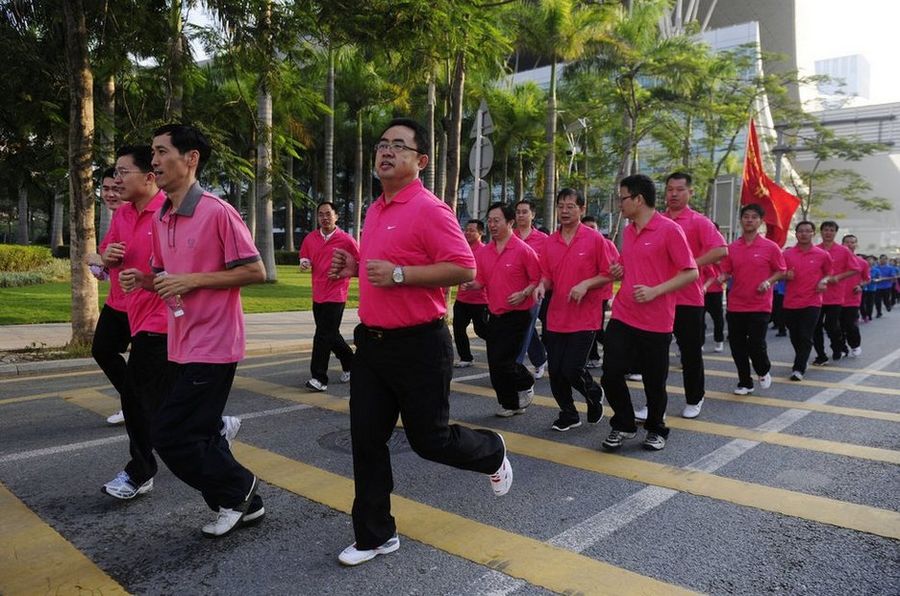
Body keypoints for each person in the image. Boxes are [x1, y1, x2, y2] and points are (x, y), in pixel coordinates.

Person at [328, 118, 510, 567]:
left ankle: (491, 451)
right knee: (366, 440)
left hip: (420, 345)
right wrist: (355, 266)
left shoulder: (431, 209)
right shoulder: (376, 209)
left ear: (420, 161)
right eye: (382, 145)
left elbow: (464, 268)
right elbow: (384, 266)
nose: (386, 152)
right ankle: (375, 534)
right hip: (372, 346)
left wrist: (398, 274)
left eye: (399, 146)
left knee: (430, 440)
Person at [145, 124, 266, 538]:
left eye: (162, 152)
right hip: (180, 340)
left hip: (214, 343)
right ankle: (243, 503)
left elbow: (255, 270)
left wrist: (190, 281)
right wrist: (147, 281)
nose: (155, 161)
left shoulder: (217, 211)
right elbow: (164, 272)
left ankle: (239, 489)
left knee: (170, 434)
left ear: (191, 158)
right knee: (198, 429)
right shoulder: (163, 216)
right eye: (153, 153)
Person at [600, 174, 697, 452]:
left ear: (639, 199)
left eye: (623, 198)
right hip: (623, 314)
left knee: (655, 382)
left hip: (656, 320)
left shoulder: (669, 230)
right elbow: (629, 264)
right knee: (610, 374)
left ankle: (656, 428)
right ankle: (624, 423)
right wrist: (620, 269)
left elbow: (691, 272)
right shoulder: (629, 231)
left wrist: (656, 291)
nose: (620, 204)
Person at [100, 145, 170, 499]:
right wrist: (107, 256)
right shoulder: (123, 214)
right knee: (151, 394)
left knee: (135, 395)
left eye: (124, 172)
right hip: (130, 308)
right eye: (116, 171)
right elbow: (106, 255)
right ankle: (212, 427)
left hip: (163, 318)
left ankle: (140, 471)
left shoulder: (168, 213)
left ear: (148, 177)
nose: (117, 178)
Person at [536, 189, 613, 431]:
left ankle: (593, 392)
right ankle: (568, 413)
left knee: (572, 368)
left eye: (570, 206)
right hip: (556, 315)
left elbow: (609, 273)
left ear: (581, 208)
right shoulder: (550, 242)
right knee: (556, 371)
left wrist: (585, 284)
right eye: (561, 206)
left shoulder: (594, 239)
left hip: (585, 316)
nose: (565, 211)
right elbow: (547, 276)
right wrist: (541, 285)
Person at [659, 172, 726, 420]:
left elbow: (720, 250)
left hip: (688, 299)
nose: (674, 194)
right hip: (659, 298)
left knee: (690, 353)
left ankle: (694, 397)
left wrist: (691, 264)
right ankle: (656, 403)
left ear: (690, 192)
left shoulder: (699, 222)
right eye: (669, 189)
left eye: (679, 189)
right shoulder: (657, 221)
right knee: (655, 354)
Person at [472, 203, 540, 417]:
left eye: (497, 220)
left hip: (519, 313)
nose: (492, 225)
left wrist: (524, 292)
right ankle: (511, 403)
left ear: (510, 222)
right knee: (495, 363)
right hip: (496, 312)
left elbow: (537, 279)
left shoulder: (523, 250)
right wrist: (468, 283)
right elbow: (480, 281)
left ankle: (526, 381)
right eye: (490, 220)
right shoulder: (485, 253)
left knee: (506, 361)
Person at [716, 204, 786, 395]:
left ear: (760, 222)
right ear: (741, 220)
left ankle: (763, 369)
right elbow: (727, 270)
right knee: (737, 346)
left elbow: (781, 271)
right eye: (746, 216)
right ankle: (745, 382)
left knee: (756, 344)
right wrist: (722, 277)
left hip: (760, 304)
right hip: (736, 304)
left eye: (754, 217)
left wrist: (768, 281)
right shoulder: (732, 247)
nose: (749, 220)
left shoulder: (770, 247)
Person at [299, 201, 359, 391]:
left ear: (336, 216)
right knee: (330, 334)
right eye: (321, 215)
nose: (324, 218)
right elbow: (305, 257)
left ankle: (319, 378)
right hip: (318, 293)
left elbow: (358, 264)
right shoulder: (311, 238)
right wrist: (304, 263)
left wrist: (346, 272)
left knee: (322, 335)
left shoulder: (346, 240)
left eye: (328, 214)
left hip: (337, 293)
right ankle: (352, 364)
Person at [91, 168, 129, 427]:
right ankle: (134, 401)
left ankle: (214, 424)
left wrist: (99, 260)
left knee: (154, 374)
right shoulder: (119, 218)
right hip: (117, 301)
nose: (111, 194)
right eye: (105, 189)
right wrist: (100, 261)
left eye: (116, 187)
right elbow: (105, 256)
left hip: (148, 304)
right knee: (102, 350)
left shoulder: (149, 214)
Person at [782, 221, 833, 382]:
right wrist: (785, 275)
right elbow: (778, 272)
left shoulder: (822, 254)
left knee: (805, 335)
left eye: (807, 231)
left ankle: (798, 368)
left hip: (812, 301)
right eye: (801, 231)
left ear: (813, 234)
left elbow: (829, 273)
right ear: (796, 234)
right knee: (795, 335)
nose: (804, 234)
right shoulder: (786, 254)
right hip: (790, 301)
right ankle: (802, 356)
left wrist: (824, 281)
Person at [811, 221, 861, 365]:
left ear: (835, 233)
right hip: (817, 295)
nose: (828, 233)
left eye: (831, 230)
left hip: (836, 296)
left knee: (831, 325)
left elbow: (855, 269)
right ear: (821, 232)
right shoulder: (815, 249)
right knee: (816, 326)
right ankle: (821, 355)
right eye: (825, 230)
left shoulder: (843, 251)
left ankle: (838, 346)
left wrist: (837, 278)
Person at [513, 200, 549, 378]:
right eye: (518, 212)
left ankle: (515, 366)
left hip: (534, 291)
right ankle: (540, 359)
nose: (520, 215)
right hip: (512, 291)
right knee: (525, 326)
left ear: (532, 215)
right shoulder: (510, 236)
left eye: (524, 212)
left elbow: (548, 268)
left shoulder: (543, 240)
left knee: (526, 325)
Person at [453, 219, 489, 368]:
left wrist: (476, 284)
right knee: (458, 328)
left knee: (481, 330)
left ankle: (500, 346)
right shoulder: (461, 249)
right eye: (466, 229)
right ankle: (466, 357)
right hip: (462, 298)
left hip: (480, 300)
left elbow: (489, 274)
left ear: (481, 233)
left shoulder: (486, 251)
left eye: (471, 230)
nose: (467, 232)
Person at [579, 215, 612, 369]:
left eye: (592, 227)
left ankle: (613, 349)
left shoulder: (607, 244)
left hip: (601, 294)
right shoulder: (579, 244)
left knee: (596, 328)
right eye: (586, 228)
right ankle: (593, 356)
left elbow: (616, 267)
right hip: (582, 294)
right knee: (588, 326)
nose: (590, 231)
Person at [839, 235, 869, 357]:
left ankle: (855, 345)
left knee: (850, 324)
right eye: (847, 242)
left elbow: (867, 279)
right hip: (835, 298)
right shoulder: (834, 260)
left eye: (852, 242)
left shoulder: (862, 262)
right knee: (837, 326)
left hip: (852, 299)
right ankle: (841, 348)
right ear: (842, 244)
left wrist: (860, 286)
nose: (850, 244)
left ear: (856, 245)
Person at [861, 255, 878, 322]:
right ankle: (864, 315)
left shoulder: (876, 270)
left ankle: (869, 315)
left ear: (873, 261)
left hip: (872, 288)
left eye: (871, 260)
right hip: (864, 288)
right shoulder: (862, 268)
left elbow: (879, 278)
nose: (869, 261)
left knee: (870, 303)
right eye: (868, 259)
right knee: (862, 303)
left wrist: (876, 280)